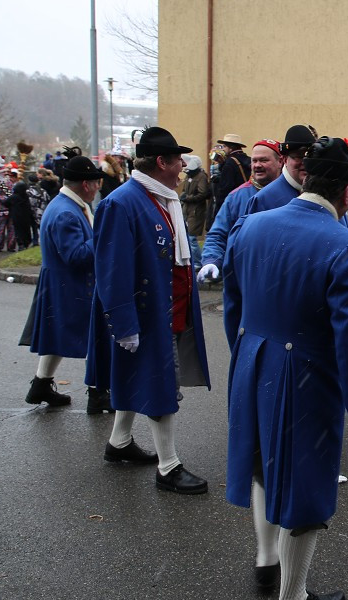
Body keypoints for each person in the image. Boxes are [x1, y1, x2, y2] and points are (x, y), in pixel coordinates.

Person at [223, 137, 348, 600]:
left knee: (262, 465)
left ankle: (267, 560)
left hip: (251, 362)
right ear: (346, 193)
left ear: (304, 179)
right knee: (308, 487)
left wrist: (246, 352)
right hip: (306, 375)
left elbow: (233, 306)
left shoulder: (249, 225)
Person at [86, 126, 211, 495]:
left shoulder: (163, 197)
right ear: (162, 162)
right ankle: (168, 466)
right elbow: (110, 268)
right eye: (178, 160)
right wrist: (123, 323)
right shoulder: (123, 202)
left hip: (169, 309)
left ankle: (119, 442)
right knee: (161, 384)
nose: (183, 167)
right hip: (146, 315)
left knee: (140, 376)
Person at [19, 156, 112, 412]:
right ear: (86, 184)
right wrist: (103, 235)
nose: (98, 187)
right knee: (95, 339)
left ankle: (41, 385)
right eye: (97, 182)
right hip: (72, 286)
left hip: (63, 284)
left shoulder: (67, 205)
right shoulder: (66, 213)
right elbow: (76, 256)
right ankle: (98, 393)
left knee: (56, 337)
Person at [196, 138, 286, 282]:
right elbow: (218, 234)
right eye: (254, 161)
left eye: (264, 160)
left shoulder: (294, 195)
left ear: (280, 162)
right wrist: (211, 260)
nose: (257, 165)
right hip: (244, 279)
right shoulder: (236, 197)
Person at [243, 125, 319, 216]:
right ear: (285, 160)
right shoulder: (264, 200)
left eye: (310, 157)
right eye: (299, 157)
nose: (305, 162)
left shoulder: (323, 193)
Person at [180, 154, 211, 239]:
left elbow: (202, 193)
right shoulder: (189, 175)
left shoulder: (201, 176)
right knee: (187, 237)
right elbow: (184, 189)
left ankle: (197, 253)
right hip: (186, 209)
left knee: (192, 238)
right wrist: (182, 197)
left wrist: (187, 198)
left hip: (196, 211)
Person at [216, 134, 252, 204]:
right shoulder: (249, 159)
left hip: (234, 201)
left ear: (231, 147)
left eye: (224, 146)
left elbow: (225, 189)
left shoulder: (230, 162)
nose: (223, 149)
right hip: (247, 199)